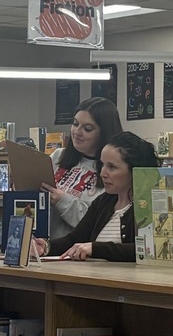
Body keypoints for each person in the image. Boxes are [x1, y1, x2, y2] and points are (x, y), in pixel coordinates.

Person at [34, 131, 158, 262]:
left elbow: (147, 249)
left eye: (112, 167)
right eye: (102, 164)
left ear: (134, 171)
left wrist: (96, 248)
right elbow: (75, 239)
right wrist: (45, 247)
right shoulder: (103, 201)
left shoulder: (149, 206)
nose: (103, 173)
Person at [41, 96, 122, 239]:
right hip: (43, 242)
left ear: (103, 133)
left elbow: (97, 222)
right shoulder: (58, 157)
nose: (77, 132)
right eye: (75, 124)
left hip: (77, 248)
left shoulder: (111, 171)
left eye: (87, 129)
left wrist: (62, 201)